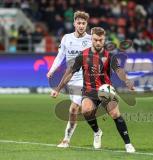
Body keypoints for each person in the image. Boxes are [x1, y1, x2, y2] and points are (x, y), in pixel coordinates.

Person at [50, 27, 136, 153]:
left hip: (105, 89)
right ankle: (97, 132)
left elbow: (119, 70)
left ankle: (128, 144)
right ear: (91, 39)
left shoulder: (109, 56)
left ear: (104, 39)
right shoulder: (83, 55)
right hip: (89, 90)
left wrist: (127, 82)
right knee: (86, 111)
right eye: (95, 39)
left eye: (101, 40)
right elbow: (69, 73)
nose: (98, 42)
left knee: (115, 114)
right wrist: (58, 89)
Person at [47, 11, 92, 148]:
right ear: (74, 24)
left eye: (83, 23)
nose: (81, 25)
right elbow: (60, 56)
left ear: (86, 24)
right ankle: (96, 130)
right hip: (71, 79)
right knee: (74, 111)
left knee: (74, 108)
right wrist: (52, 70)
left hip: (86, 78)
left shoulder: (91, 39)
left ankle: (66, 140)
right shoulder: (67, 38)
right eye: (79, 23)